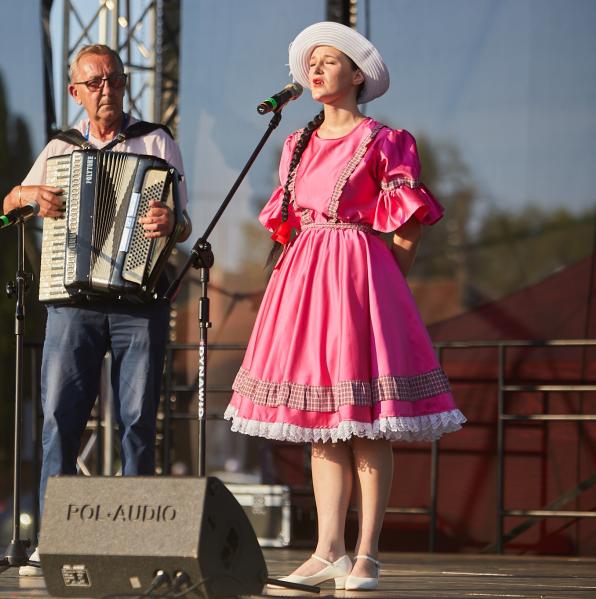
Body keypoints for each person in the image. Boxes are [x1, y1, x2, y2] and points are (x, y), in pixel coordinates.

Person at [224, 22, 466, 591]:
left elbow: (407, 225)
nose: (315, 69)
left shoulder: (384, 140)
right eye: (311, 62)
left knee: (366, 421)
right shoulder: (295, 143)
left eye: (329, 61)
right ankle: (328, 549)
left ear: (357, 76)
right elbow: (287, 224)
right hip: (306, 284)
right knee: (322, 422)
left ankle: (366, 554)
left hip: (360, 282)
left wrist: (384, 287)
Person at [5, 44, 191, 576]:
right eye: (95, 82)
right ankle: (53, 541)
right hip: (72, 303)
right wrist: (29, 194)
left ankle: (135, 542)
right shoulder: (60, 148)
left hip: (138, 301)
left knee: (137, 422)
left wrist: (170, 223)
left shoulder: (156, 141)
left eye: (115, 79)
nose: (107, 89)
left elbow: (183, 223)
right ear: (76, 92)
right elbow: (9, 203)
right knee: (60, 419)